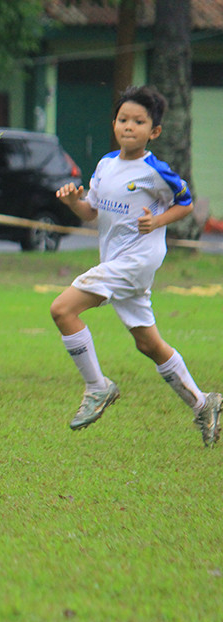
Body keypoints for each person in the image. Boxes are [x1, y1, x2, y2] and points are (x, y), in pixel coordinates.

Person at [50, 85, 221, 445]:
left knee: (63, 310)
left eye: (139, 121)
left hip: (137, 260)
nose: (129, 126)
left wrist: (156, 222)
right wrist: (73, 202)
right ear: (114, 124)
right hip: (117, 262)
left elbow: (185, 204)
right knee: (148, 344)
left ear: (153, 131)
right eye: (123, 119)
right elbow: (91, 214)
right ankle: (203, 402)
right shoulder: (106, 164)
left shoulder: (155, 170)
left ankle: (98, 386)